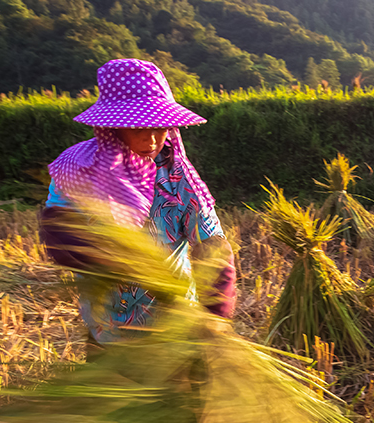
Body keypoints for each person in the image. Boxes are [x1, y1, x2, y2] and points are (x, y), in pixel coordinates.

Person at [39, 59, 236, 345]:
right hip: (107, 325)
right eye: (139, 127)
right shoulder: (78, 169)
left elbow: (213, 244)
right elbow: (57, 232)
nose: (152, 138)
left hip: (175, 328)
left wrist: (216, 311)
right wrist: (117, 260)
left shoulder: (178, 176)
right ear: (113, 127)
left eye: (161, 127)